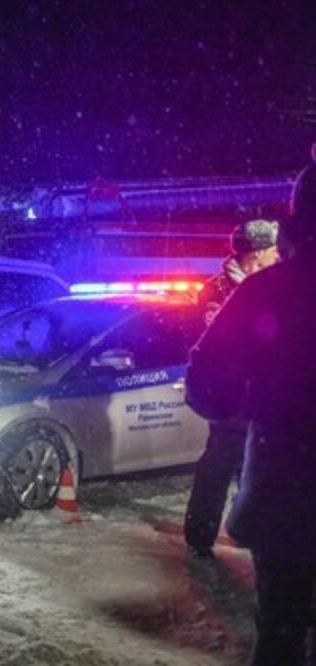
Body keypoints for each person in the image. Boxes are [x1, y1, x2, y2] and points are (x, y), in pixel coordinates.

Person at [186, 156, 316, 665]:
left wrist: (259, 404)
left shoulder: (269, 290)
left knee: (282, 631)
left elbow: (207, 385)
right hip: (286, 494)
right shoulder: (250, 287)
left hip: (288, 495)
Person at [183, 219, 279, 557]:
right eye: (273, 249)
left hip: (261, 391)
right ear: (257, 252)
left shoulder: (266, 284)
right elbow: (221, 342)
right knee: (220, 462)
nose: (277, 255)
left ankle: (247, 529)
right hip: (233, 394)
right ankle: (201, 534)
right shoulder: (220, 291)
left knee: (254, 465)